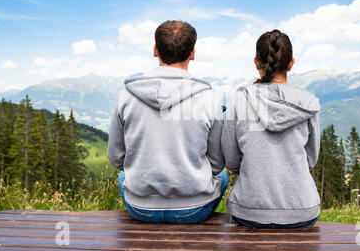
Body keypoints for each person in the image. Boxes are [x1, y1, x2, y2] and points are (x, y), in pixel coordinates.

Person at [107, 20, 228, 223]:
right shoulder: (209, 97)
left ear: (155, 50)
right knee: (222, 176)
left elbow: (116, 157)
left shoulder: (126, 95)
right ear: (192, 53)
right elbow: (216, 164)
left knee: (123, 178)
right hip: (193, 210)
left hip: (140, 208)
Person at [221, 29, 320, 228]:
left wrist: (256, 167)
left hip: (248, 211)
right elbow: (310, 159)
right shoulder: (308, 103)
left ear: (256, 62)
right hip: (302, 211)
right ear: (291, 63)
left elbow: (230, 160)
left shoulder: (240, 98)